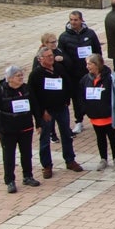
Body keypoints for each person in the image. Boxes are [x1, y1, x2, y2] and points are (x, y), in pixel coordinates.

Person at [28, 47, 82, 175]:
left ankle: (70, 160)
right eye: (48, 56)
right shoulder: (36, 75)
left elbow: (67, 83)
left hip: (62, 108)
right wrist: (42, 112)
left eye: (51, 55)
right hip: (46, 112)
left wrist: (67, 99)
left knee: (66, 135)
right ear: (40, 59)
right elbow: (33, 97)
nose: (51, 58)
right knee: (45, 138)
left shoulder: (59, 68)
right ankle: (47, 166)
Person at [0, 65, 40, 193]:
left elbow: (35, 105)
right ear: (10, 78)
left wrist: (39, 123)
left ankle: (28, 176)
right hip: (7, 131)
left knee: (26, 153)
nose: (21, 77)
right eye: (18, 76)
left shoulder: (26, 89)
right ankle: (10, 181)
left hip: (25, 128)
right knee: (9, 156)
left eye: (21, 75)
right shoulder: (0, 92)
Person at [58, 10, 101, 133]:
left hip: (89, 72)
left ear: (81, 20)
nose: (73, 22)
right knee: (76, 98)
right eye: (71, 20)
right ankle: (79, 121)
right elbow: (62, 54)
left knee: (93, 95)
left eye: (76, 20)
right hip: (74, 74)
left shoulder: (90, 34)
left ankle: (97, 117)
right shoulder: (64, 37)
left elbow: (97, 51)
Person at [81, 54, 115, 170]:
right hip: (95, 116)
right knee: (100, 138)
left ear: (97, 65)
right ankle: (103, 158)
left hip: (108, 115)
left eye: (90, 64)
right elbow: (82, 95)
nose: (87, 66)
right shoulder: (86, 79)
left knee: (112, 136)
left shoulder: (109, 78)